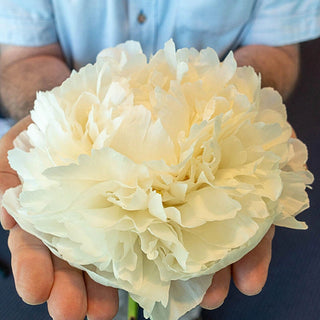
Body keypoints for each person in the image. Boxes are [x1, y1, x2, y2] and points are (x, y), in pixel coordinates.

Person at [0, 1, 319, 320]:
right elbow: (26, 56)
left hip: (213, 129)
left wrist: (245, 100)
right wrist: (56, 110)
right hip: (80, 131)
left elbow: (275, 46)